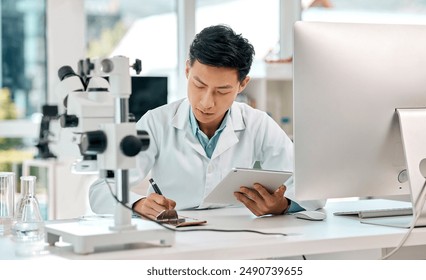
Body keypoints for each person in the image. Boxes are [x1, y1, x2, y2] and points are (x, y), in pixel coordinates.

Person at [89, 24, 325, 219]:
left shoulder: (257, 124)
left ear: (243, 85)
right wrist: (138, 204)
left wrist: (282, 205)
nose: (206, 102)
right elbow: (100, 191)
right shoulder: (156, 122)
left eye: (222, 90)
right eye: (199, 85)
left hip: (241, 236)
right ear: (187, 70)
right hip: (176, 238)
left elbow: (314, 190)